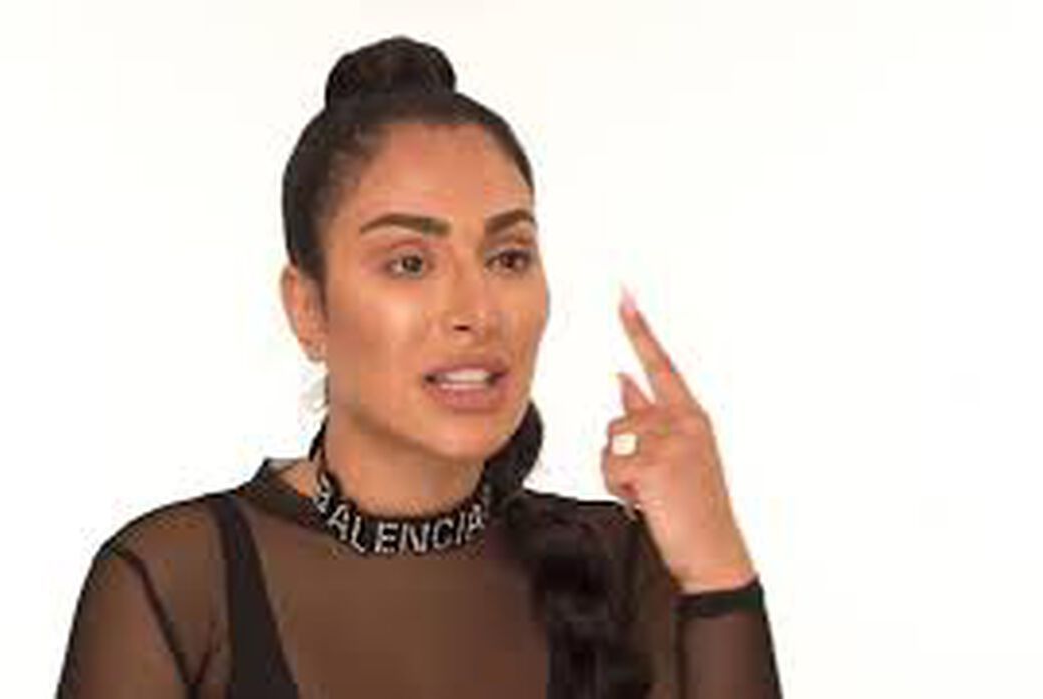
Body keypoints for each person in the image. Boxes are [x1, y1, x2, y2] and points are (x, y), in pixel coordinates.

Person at [55, 35, 783, 699]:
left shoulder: (621, 566)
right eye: (409, 262)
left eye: (508, 257)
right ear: (308, 308)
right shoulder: (176, 582)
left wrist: (718, 568)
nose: (477, 311)